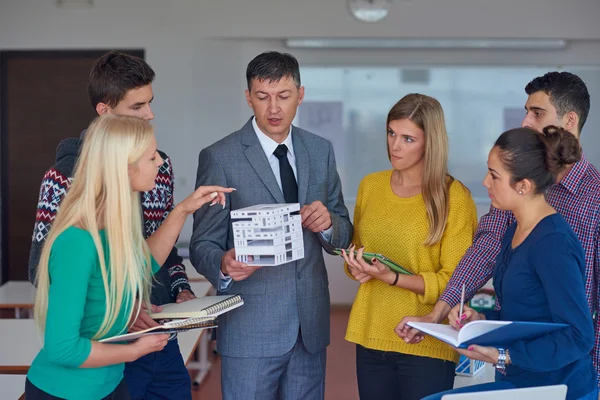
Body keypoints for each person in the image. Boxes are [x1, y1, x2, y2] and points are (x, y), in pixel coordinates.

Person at [396, 72, 600, 386]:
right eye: (527, 111)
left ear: (570, 119)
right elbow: (487, 249)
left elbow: (581, 327)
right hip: (519, 368)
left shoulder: (592, 199)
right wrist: (446, 311)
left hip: (565, 372)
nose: (526, 122)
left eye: (537, 112)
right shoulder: (512, 197)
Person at [25, 115, 233, 400]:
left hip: (109, 385)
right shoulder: (77, 242)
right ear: (124, 168)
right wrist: (136, 349)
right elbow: (62, 348)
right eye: (151, 157)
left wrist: (184, 210)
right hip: (66, 391)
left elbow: (143, 264)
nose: (160, 162)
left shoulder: (111, 229)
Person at [28, 51, 197, 399]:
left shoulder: (155, 171)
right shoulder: (67, 193)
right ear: (105, 113)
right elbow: (46, 272)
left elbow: (147, 260)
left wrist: (179, 283)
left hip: (150, 335)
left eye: (150, 103)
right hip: (109, 342)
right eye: (137, 108)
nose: (149, 115)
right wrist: (124, 308)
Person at [189, 51, 353, 400]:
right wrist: (222, 264)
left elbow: (342, 231)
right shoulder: (220, 156)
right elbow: (202, 241)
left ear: (301, 94)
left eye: (284, 96)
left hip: (309, 327)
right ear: (248, 97)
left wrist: (328, 226)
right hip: (250, 327)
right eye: (263, 97)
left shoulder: (319, 150)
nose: (274, 108)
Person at [422, 126, 597, 400]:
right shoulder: (514, 230)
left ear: (523, 186)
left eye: (494, 176)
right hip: (522, 382)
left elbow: (579, 335)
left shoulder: (553, 244)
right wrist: (479, 320)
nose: (485, 182)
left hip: (561, 389)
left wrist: (503, 355)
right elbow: (526, 315)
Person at [340, 93, 477, 400]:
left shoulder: (454, 197)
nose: (395, 146)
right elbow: (358, 252)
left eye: (407, 138)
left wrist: (393, 277)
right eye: (391, 133)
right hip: (372, 334)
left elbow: (457, 282)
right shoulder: (370, 186)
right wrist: (356, 267)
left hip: (426, 338)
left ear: (430, 143)